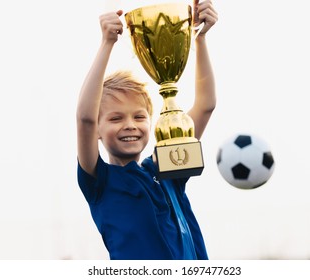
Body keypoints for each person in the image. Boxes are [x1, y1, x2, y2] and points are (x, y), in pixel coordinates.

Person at [76, 0, 218, 260]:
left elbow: (206, 106)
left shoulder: (167, 167)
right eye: (116, 118)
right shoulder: (99, 181)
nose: (129, 124)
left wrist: (199, 37)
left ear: (151, 122)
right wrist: (107, 43)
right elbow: (85, 118)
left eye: (139, 116)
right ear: (97, 130)